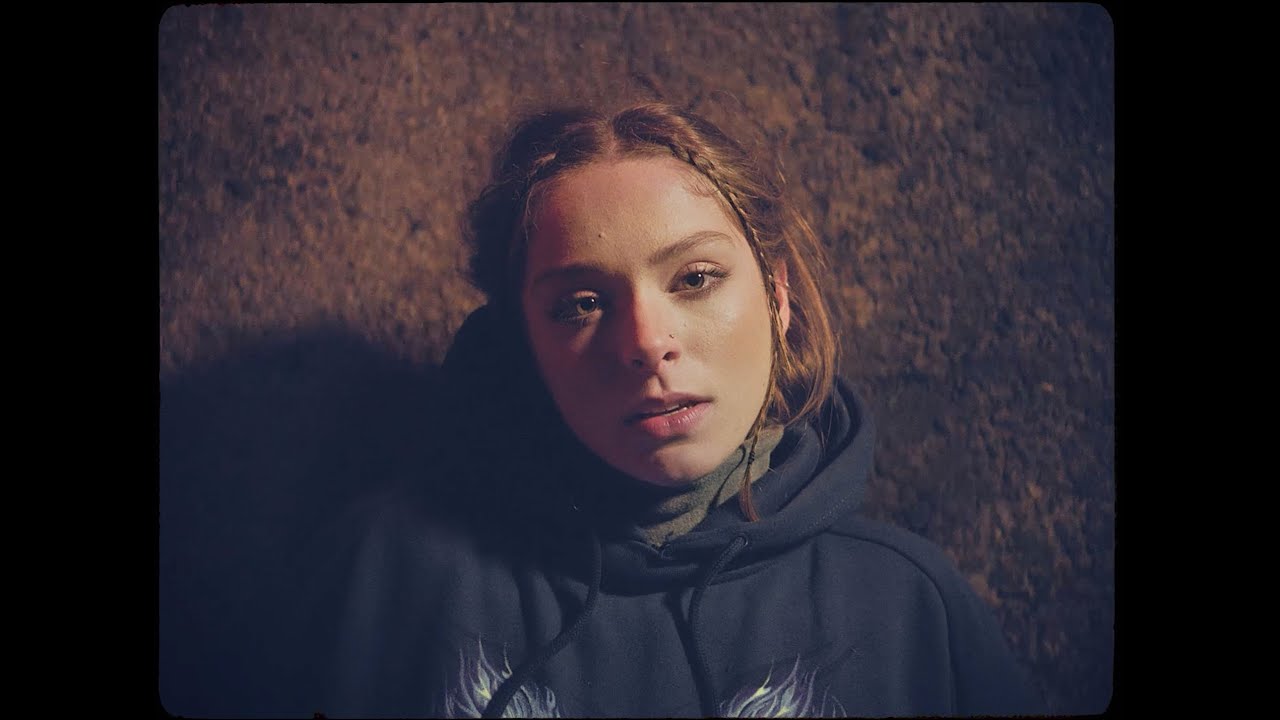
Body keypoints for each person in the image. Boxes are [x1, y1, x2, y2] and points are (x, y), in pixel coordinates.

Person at [314, 100, 1046, 718]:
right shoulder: (387, 577)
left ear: (778, 297)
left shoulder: (908, 606)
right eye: (581, 303)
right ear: (521, 343)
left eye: (695, 278)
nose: (646, 342)